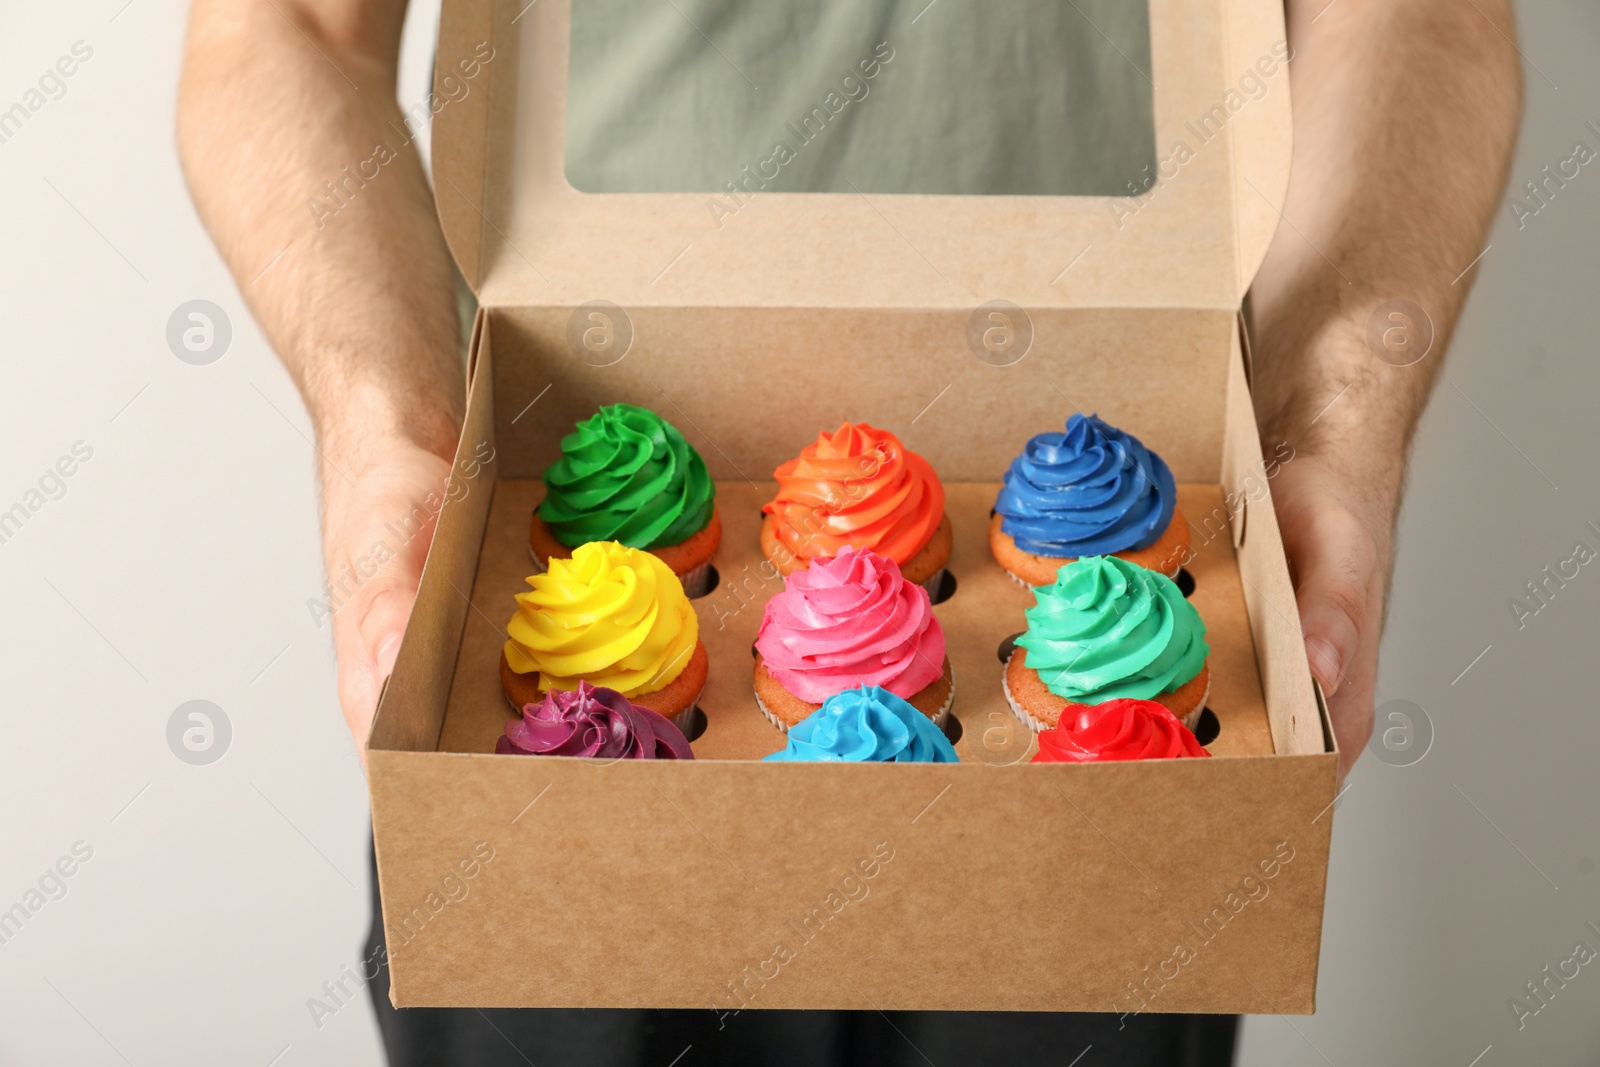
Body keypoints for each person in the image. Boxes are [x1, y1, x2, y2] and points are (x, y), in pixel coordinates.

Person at [177, 1, 1522, 1063]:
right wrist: (384, 424)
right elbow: (283, 22)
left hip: (1092, 819)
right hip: (567, 802)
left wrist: (1335, 404)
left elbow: (1422, 13)